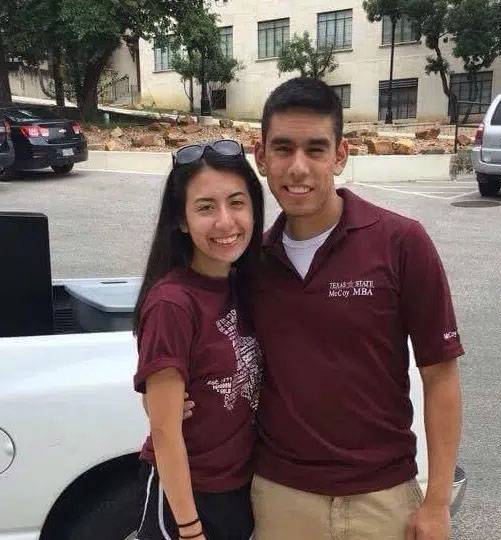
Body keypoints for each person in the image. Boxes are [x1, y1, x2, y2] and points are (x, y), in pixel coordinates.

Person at [246, 77, 464, 540]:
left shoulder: (401, 243)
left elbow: (441, 376)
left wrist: (438, 502)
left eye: (316, 149)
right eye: (283, 149)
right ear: (260, 157)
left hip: (382, 500)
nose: (298, 167)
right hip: (281, 499)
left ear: (341, 155)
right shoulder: (251, 264)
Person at [132, 139, 264, 540]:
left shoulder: (242, 282)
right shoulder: (173, 303)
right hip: (189, 498)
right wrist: (189, 529)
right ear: (182, 220)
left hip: (239, 489)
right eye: (206, 207)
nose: (226, 222)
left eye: (237, 203)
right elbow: (166, 431)